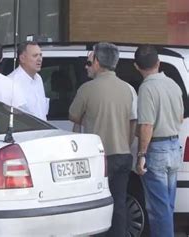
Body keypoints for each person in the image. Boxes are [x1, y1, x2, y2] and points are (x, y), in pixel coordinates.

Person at [68, 42, 136, 237]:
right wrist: (127, 142)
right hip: (123, 154)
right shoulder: (128, 89)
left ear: (97, 61)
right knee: (119, 203)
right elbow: (134, 121)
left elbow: (74, 116)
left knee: (98, 205)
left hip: (100, 157)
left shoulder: (87, 89)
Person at [134, 44, 183, 237]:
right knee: (167, 206)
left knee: (158, 209)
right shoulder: (172, 84)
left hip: (157, 150)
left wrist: (141, 155)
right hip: (173, 147)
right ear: (159, 62)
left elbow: (147, 125)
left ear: (136, 66)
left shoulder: (147, 88)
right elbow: (179, 118)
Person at [8, 41, 49, 120]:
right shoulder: (12, 82)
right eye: (35, 56)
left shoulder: (38, 79)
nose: (39, 59)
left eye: (40, 55)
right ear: (22, 58)